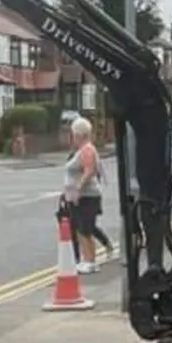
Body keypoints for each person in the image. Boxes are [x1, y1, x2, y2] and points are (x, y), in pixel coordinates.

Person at [62, 116, 109, 273]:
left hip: (87, 197)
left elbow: (90, 170)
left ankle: (90, 261)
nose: (73, 137)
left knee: (85, 230)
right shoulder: (84, 149)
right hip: (83, 197)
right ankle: (87, 260)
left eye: (74, 134)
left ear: (79, 134)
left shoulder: (87, 149)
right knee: (82, 229)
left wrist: (78, 189)